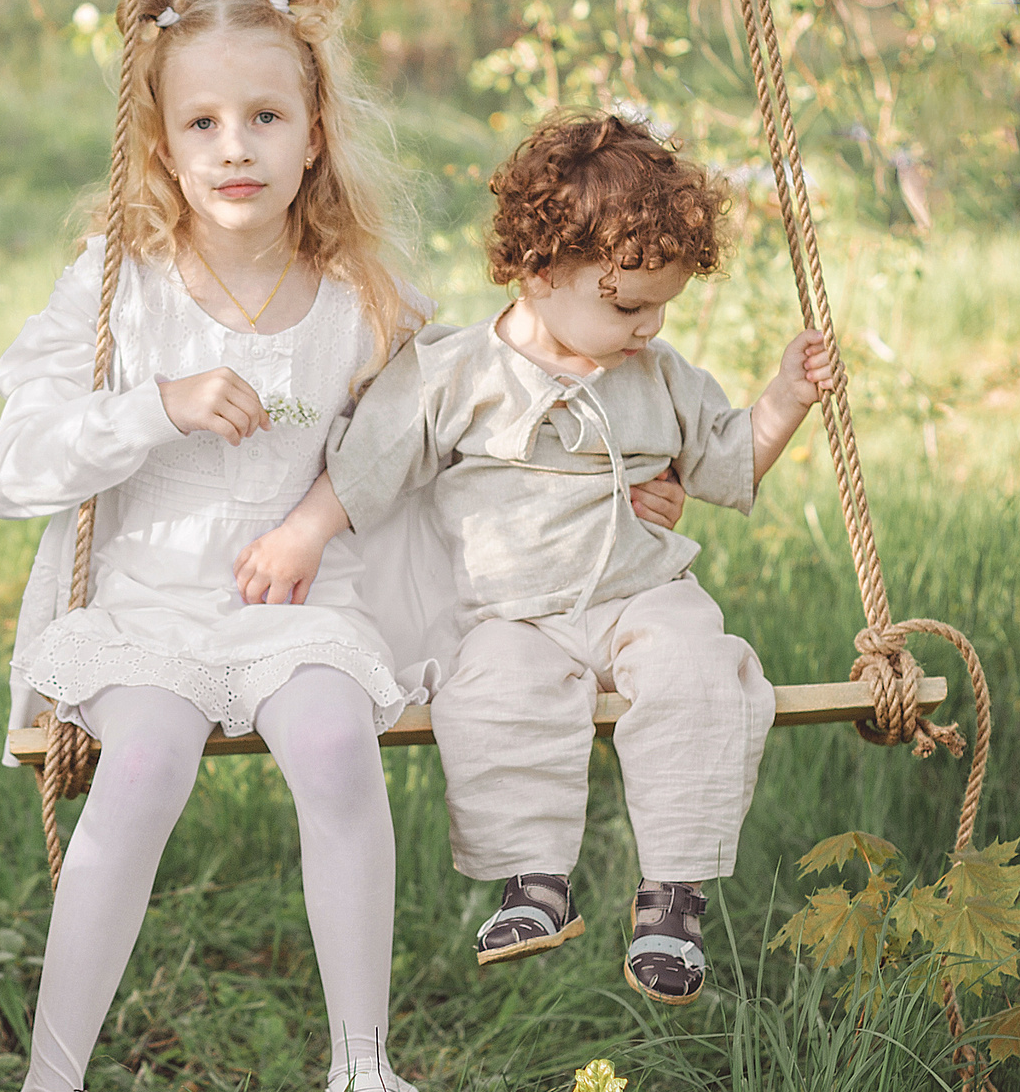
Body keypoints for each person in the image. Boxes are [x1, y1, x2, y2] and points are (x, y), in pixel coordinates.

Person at [0, 0, 689, 1092]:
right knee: (141, 766)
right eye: (201, 121)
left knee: (331, 741)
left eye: (264, 116)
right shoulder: (119, 287)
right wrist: (155, 407)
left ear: (314, 133)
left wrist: (607, 486)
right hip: (148, 604)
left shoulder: (362, 299)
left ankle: (363, 1074)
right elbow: (10, 466)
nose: (233, 146)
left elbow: (459, 434)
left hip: (303, 604)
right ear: (159, 143)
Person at [248, 110, 835, 1011]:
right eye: (629, 305)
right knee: (489, 694)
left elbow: (729, 459)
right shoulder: (456, 373)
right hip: (513, 614)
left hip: (645, 593)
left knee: (704, 671)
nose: (650, 326)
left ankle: (673, 895)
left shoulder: (659, 375)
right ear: (540, 270)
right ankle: (533, 880)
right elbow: (371, 460)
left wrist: (786, 398)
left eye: (663, 305)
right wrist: (303, 532)